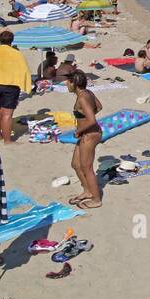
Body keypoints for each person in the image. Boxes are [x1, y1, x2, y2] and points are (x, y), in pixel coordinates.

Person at [66, 73, 103, 209]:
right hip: (86, 133)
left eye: (67, 82)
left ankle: (96, 199)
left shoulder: (82, 98)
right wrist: (84, 120)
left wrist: (79, 130)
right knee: (76, 164)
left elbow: (92, 120)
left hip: (89, 134)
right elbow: (99, 107)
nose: (66, 85)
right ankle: (88, 191)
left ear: (73, 83)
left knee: (87, 168)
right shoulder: (88, 93)